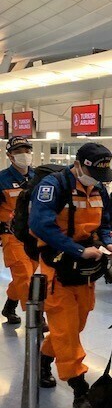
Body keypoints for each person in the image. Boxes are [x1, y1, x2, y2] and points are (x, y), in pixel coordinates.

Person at [29, 143, 112, 408]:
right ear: (78, 164)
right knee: (66, 328)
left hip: (85, 269)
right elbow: (40, 224)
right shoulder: (53, 186)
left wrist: (109, 243)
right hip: (58, 267)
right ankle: (80, 388)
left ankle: (44, 359)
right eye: (92, 173)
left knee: (77, 322)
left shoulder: (99, 187)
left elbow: (104, 223)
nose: (97, 180)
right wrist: (77, 249)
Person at [0, 137, 37, 325]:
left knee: (29, 274)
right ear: (10, 156)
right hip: (11, 235)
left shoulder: (38, 177)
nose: (24, 155)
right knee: (25, 275)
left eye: (27, 150)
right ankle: (36, 318)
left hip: (34, 236)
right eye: (18, 152)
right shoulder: (1, 180)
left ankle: (9, 306)